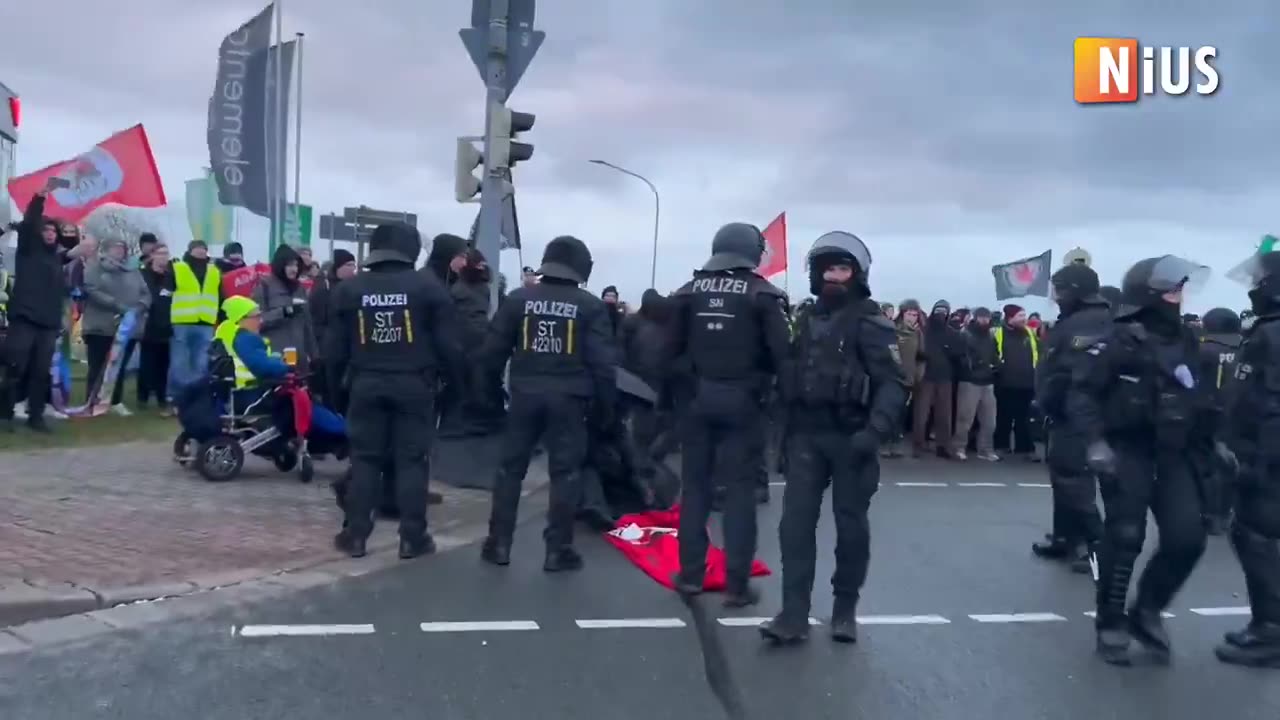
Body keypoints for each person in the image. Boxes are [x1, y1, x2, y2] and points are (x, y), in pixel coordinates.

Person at [759, 231, 906, 644]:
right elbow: (789, 377)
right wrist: (781, 434)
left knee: (851, 527)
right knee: (795, 527)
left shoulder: (871, 322)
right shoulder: (806, 319)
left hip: (852, 438)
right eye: (827, 268)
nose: (833, 276)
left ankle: (844, 610)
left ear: (856, 273)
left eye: (841, 268)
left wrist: (873, 433)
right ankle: (793, 614)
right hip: (806, 436)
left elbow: (893, 384)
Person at [1067, 255, 1213, 665]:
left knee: (1188, 538)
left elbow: (1198, 397)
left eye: (1181, 289)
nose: (1179, 298)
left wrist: (1212, 443)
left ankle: (1146, 610)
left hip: (1174, 451)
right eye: (1171, 290)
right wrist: (1095, 442)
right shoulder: (1116, 339)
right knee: (1125, 537)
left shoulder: (1186, 339)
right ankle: (1110, 621)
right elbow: (1081, 395)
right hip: (1126, 448)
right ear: (1149, 295)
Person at [666, 222, 792, 605]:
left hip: (697, 403)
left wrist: (679, 399)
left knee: (695, 492)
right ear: (751, 252)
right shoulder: (763, 295)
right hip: (744, 404)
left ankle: (690, 576)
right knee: (739, 495)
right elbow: (783, 359)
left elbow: (668, 354)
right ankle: (737, 585)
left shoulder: (687, 293)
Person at [327, 223, 465, 560]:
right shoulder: (429, 288)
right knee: (413, 461)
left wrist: (335, 397)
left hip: (365, 384)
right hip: (415, 386)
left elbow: (332, 353)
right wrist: (459, 390)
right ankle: (412, 538)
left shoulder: (349, 290)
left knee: (365, 460)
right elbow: (450, 349)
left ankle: (356, 535)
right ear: (412, 249)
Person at [478, 235, 617, 571]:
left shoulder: (518, 299)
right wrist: (606, 410)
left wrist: (490, 396)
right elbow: (602, 366)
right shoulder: (589, 306)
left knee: (510, 471)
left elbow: (490, 356)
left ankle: (499, 544)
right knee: (565, 474)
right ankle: (558, 550)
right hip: (570, 400)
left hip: (525, 397)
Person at [1217, 253, 1280, 668]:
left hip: (1265, 457)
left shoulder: (1272, 335)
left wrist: (1260, 461)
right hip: (1259, 452)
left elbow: (1271, 404)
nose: (1253, 289)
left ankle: (1271, 629)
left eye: (1260, 282)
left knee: (1256, 538)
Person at [1033, 263, 1109, 573]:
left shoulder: (1089, 322)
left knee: (1075, 481)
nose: (1056, 296)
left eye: (1060, 289)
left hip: (1076, 414)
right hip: (1064, 412)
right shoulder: (1076, 319)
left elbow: (1073, 375)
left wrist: (1049, 401)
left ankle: (1096, 548)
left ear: (1075, 290)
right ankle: (1065, 538)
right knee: (1062, 479)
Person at [1, 180, 68, 432]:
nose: (50, 233)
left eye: (53, 231)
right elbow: (29, 223)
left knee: (41, 372)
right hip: (25, 320)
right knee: (16, 367)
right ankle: (6, 413)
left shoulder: (55, 260)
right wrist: (40, 197)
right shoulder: (28, 250)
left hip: (48, 324)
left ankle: (36, 416)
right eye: (46, 230)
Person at [81, 237, 150, 414]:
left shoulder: (133, 271)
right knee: (98, 365)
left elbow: (145, 291)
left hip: (126, 326)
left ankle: (115, 400)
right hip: (100, 325)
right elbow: (91, 289)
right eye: (115, 247)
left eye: (122, 248)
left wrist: (141, 305)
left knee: (119, 364)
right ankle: (93, 399)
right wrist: (117, 305)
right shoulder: (95, 267)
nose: (119, 251)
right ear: (106, 249)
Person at [1196, 306, 1243, 536]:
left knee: (1210, 466)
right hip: (1243, 416)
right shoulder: (1250, 347)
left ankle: (1212, 514)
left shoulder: (1202, 349)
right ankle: (1227, 513)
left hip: (1208, 414)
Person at [252, 244, 317, 371]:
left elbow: (307, 325)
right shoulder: (264, 286)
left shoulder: (300, 289)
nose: (294, 269)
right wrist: (284, 312)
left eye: (296, 265)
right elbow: (257, 321)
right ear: (280, 265)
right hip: (275, 356)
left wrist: (314, 355)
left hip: (300, 358)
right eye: (290, 265)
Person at [168, 240, 222, 392]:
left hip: (206, 323)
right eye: (197, 248)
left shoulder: (215, 270)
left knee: (201, 363)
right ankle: (176, 397)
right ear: (189, 250)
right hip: (181, 322)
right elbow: (167, 294)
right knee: (180, 363)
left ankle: (197, 397)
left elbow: (220, 295)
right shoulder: (177, 267)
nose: (200, 251)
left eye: (203, 248)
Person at [952, 306, 999, 462]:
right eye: (981, 317)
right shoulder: (965, 335)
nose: (985, 320)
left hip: (988, 381)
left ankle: (985, 449)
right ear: (975, 318)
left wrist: (996, 365)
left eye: (987, 317)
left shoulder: (991, 336)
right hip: (969, 381)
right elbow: (960, 356)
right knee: (965, 418)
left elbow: (995, 354)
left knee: (990, 420)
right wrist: (973, 366)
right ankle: (959, 447)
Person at [994, 304, 1040, 460]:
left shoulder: (1029, 333)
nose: (1024, 319)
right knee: (1004, 417)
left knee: (1025, 418)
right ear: (1010, 318)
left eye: (1024, 315)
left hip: (1027, 383)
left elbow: (1038, 352)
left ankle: (1025, 449)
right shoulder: (999, 333)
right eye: (1020, 316)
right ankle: (1001, 446)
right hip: (1005, 383)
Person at [138, 244, 173, 413]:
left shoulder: (171, 276)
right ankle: (142, 397)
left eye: (166, 254)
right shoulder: (143, 275)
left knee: (163, 365)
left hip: (166, 326)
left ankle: (161, 397)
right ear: (152, 256)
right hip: (147, 325)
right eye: (160, 253)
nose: (163, 257)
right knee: (147, 363)